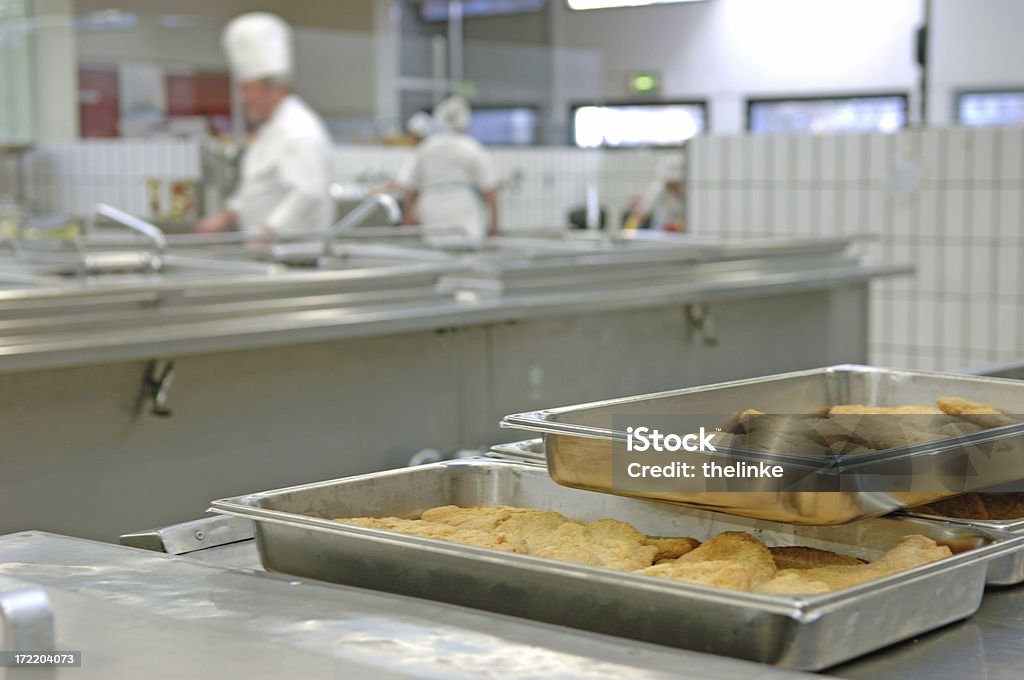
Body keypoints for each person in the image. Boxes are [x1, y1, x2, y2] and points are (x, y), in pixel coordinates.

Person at [197, 13, 332, 238]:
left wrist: (269, 232)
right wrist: (226, 216)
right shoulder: (271, 129)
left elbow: (309, 193)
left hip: (294, 256)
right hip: (270, 254)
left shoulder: (297, 130)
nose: (243, 99)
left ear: (274, 89)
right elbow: (257, 186)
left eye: (248, 89)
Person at [402, 96, 500, 246]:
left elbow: (410, 188)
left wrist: (408, 216)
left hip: (431, 206)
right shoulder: (472, 148)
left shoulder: (426, 147)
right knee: (466, 255)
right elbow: (489, 190)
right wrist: (495, 223)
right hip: (462, 207)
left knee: (436, 255)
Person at [623, 156, 686, 232]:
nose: (674, 190)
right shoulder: (659, 187)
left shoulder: (690, 192)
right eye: (671, 185)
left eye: (676, 185)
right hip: (661, 230)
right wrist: (628, 231)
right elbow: (641, 210)